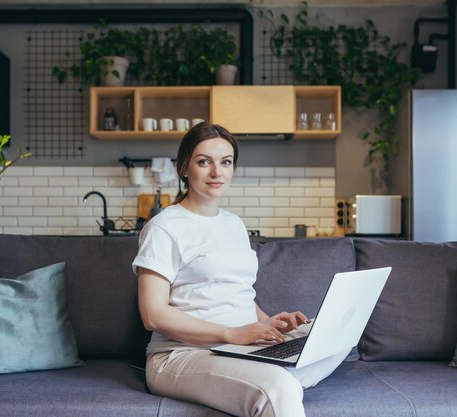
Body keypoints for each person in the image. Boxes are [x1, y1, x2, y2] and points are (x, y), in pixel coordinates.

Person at [132, 122, 349, 417]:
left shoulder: (233, 223)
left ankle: (267, 382)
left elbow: (236, 290)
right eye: (204, 161)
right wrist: (232, 334)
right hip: (182, 355)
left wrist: (267, 322)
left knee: (336, 337)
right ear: (184, 168)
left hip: (241, 349)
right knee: (280, 388)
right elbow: (152, 315)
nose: (216, 172)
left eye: (226, 162)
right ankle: (276, 387)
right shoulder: (164, 227)